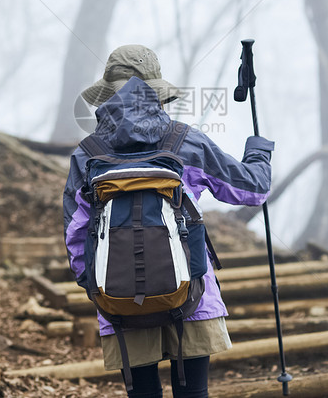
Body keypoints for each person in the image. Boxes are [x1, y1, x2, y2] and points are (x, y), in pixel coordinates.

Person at [63, 44, 273, 398]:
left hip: (117, 299)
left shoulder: (88, 153)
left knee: (143, 394)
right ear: (157, 93)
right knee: (193, 393)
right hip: (191, 292)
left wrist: (98, 291)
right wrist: (258, 152)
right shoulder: (183, 140)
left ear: (107, 96)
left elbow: (75, 235)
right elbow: (252, 191)